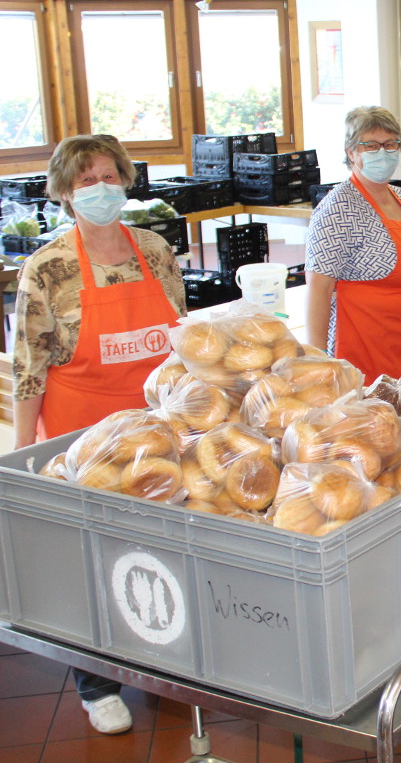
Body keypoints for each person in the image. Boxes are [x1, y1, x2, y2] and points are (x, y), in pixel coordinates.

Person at [12, 133, 187, 734]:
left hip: (158, 433)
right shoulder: (49, 268)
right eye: (86, 180)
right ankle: (96, 682)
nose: (101, 189)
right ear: (64, 191)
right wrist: (24, 454)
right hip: (83, 437)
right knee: (94, 560)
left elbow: (181, 343)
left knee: (162, 546)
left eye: (110, 176)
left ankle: (162, 656)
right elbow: (28, 369)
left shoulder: (155, 250)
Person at [306, 106, 401, 402]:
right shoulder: (338, 209)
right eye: (370, 145)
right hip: (368, 353)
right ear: (351, 153)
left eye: (390, 144)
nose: (381, 152)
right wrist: (316, 359)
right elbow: (318, 290)